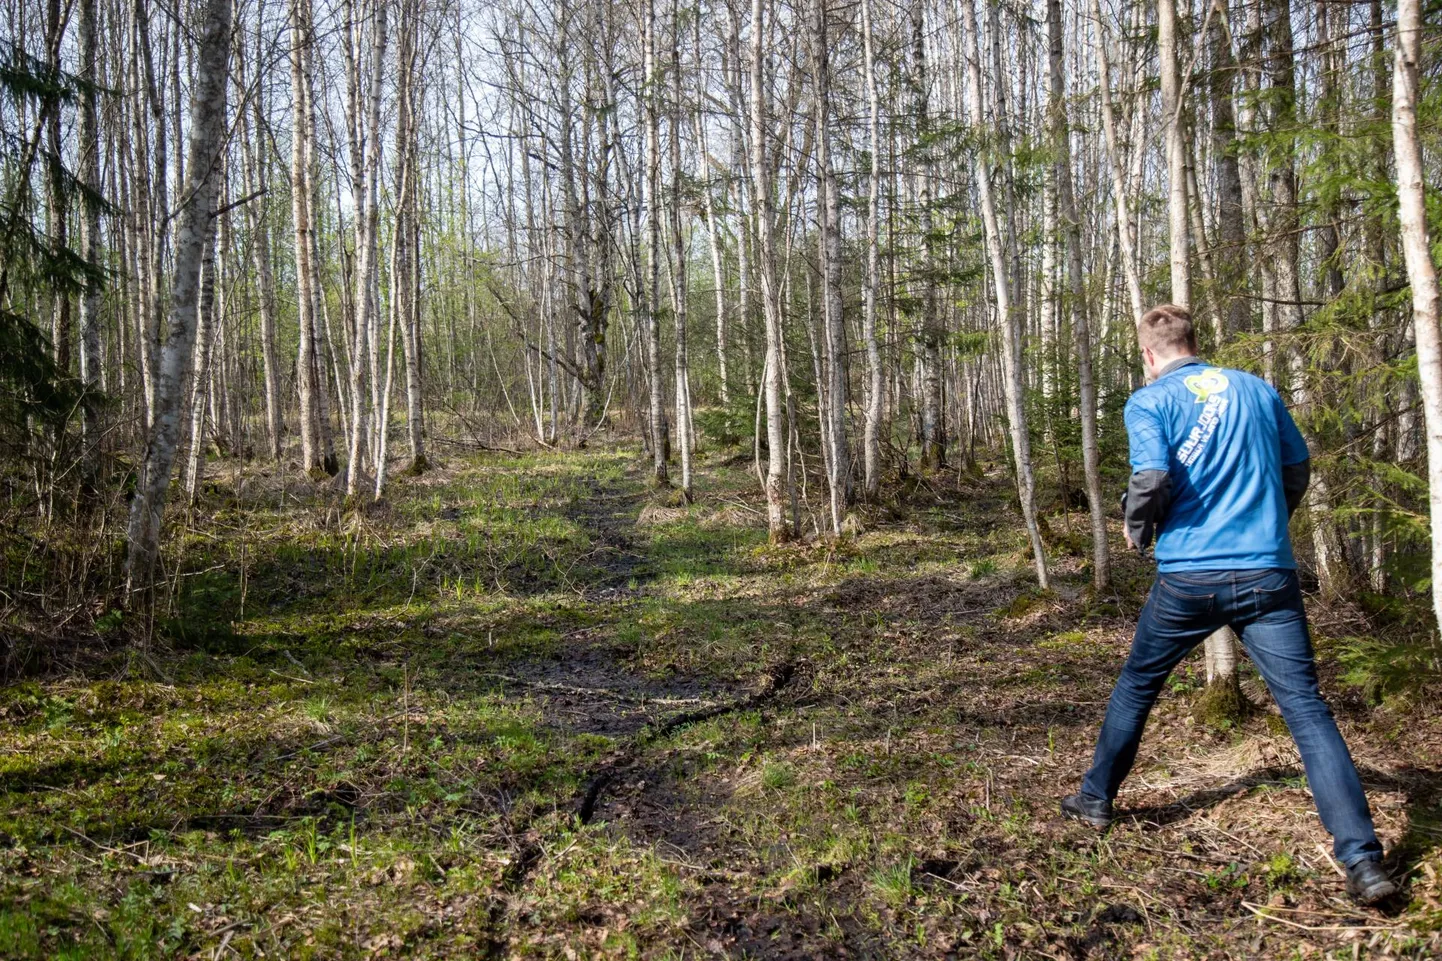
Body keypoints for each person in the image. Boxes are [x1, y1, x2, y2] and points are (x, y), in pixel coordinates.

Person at [1060, 304, 1397, 905]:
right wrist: (1271, 523)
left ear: (1148, 354)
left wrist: (1139, 529)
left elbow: (1152, 477)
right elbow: (1297, 466)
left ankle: (1094, 799)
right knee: (1307, 711)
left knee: (1139, 683)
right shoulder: (1258, 390)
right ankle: (1363, 861)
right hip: (1268, 573)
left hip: (1190, 576)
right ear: (1194, 341)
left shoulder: (1149, 401)